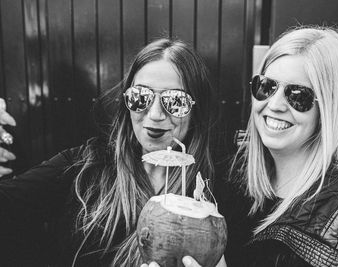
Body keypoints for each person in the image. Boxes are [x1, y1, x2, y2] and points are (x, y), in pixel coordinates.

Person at [0, 38, 220, 266]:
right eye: (140, 97)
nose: (155, 114)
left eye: (175, 101)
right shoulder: (84, 166)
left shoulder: (215, 189)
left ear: (196, 109)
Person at [217, 26, 338, 267]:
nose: (275, 104)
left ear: (328, 108)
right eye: (266, 86)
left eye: (298, 95)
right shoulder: (234, 174)